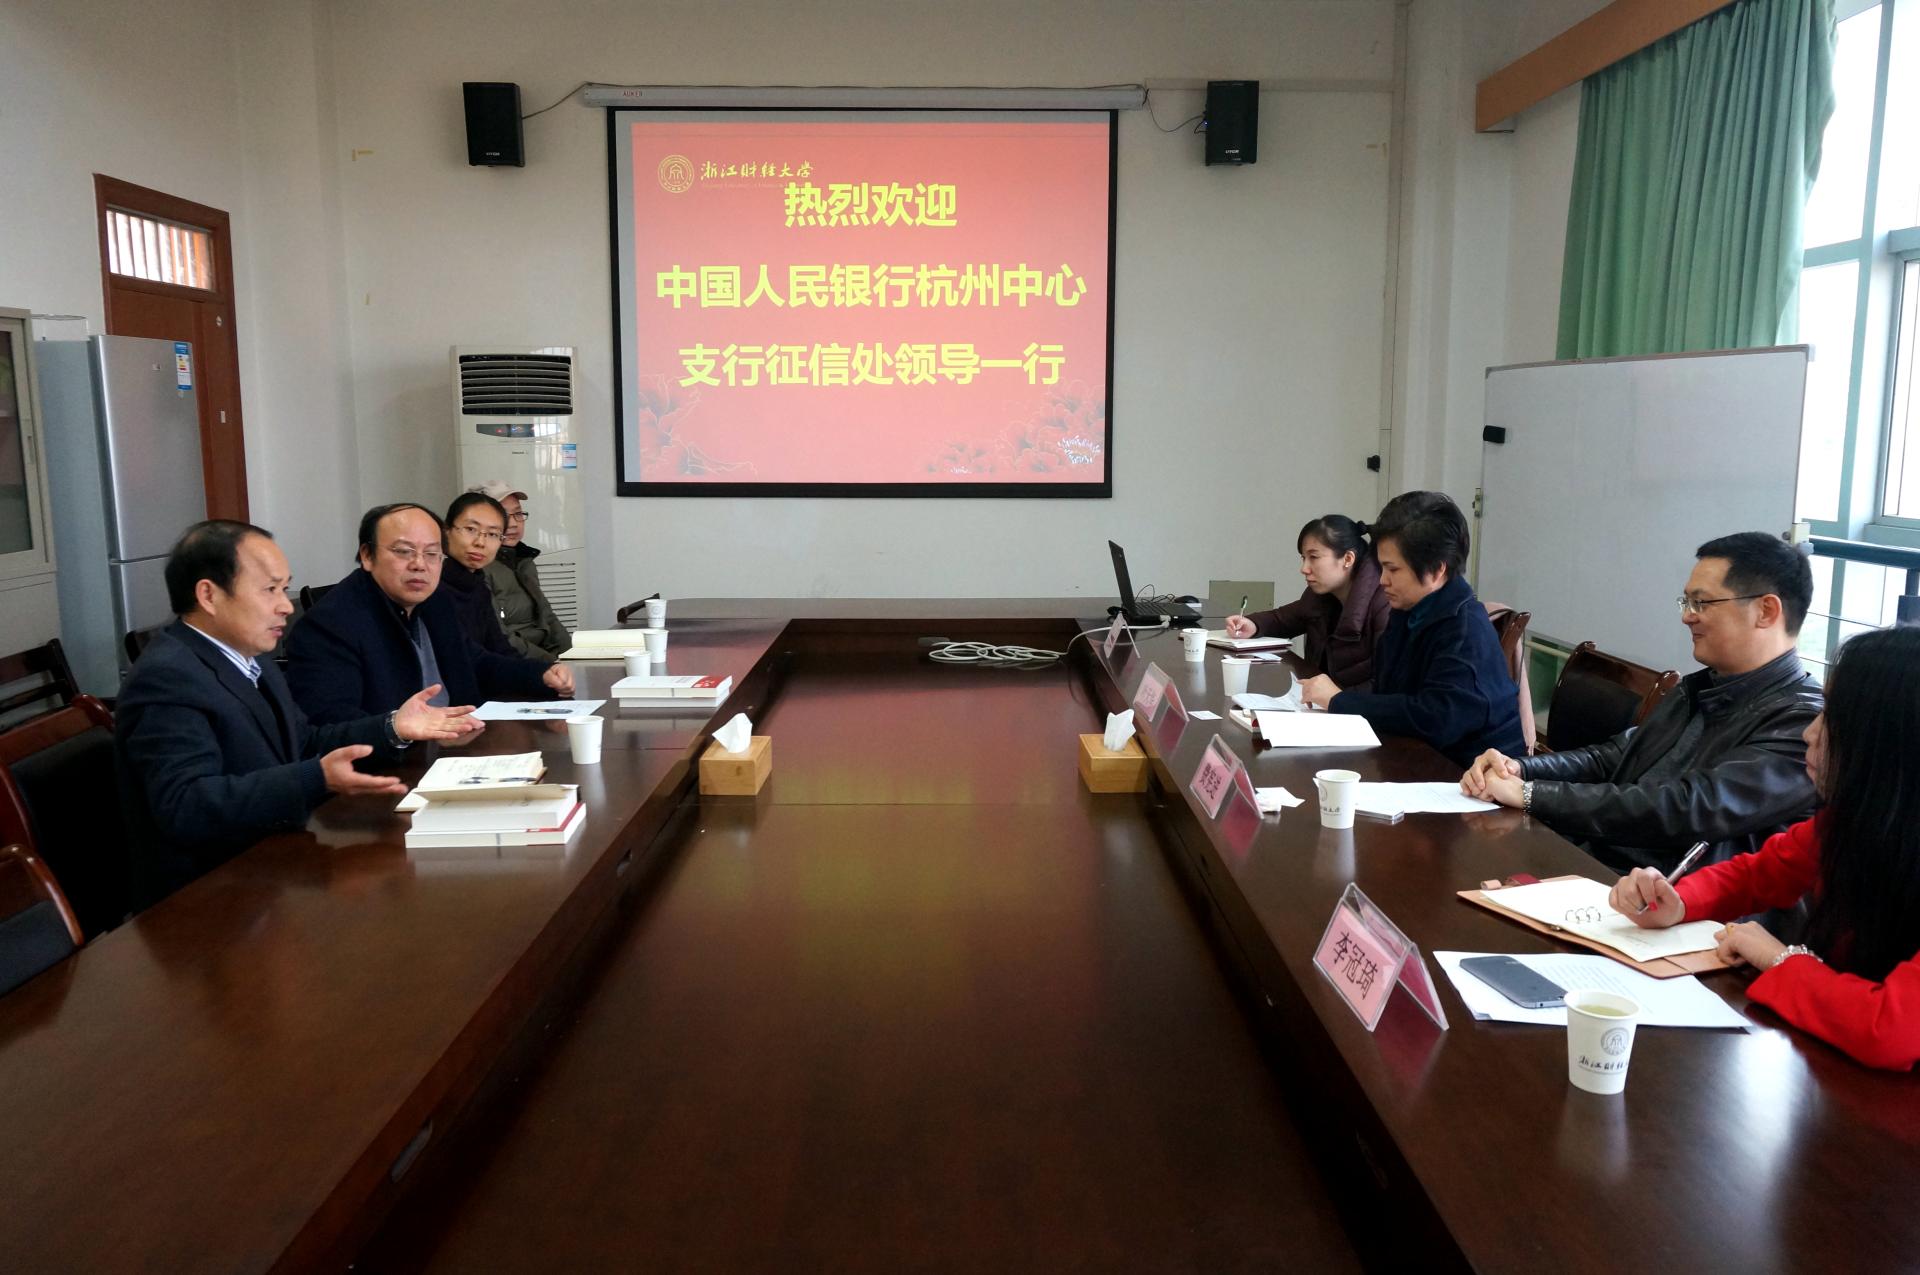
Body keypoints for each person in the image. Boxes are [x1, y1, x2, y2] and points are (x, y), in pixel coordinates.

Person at [116, 520, 480, 910]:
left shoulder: (250, 659)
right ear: (209, 594)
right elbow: (186, 805)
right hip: (208, 900)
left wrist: (392, 726)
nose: (286, 606)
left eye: (284, 588)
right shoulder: (169, 677)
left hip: (273, 866)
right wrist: (314, 778)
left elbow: (304, 741)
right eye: (270, 589)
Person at [1608, 626, 1920, 1071]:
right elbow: (1757, 874)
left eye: (1833, 718)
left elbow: (1888, 1030)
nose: (1810, 733)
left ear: (1890, 744)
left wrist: (1779, 959)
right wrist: (1677, 902)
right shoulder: (1854, 823)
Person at [1462, 532, 1822, 875]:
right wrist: (1519, 770)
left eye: (1702, 602)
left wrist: (1531, 795)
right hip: (1598, 861)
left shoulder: (1802, 722)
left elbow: (1685, 808)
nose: (1687, 616)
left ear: (1766, 611)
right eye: (1687, 602)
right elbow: (1613, 757)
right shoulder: (1701, 686)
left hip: (1669, 898)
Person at [286, 503, 572, 724]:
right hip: (399, 764)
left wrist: (541, 675)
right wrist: (397, 729)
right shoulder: (330, 624)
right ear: (367, 556)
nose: (419, 564)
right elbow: (328, 723)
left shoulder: (435, 601)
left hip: (458, 744)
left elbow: (475, 662)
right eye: (403, 551)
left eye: (432, 554)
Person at [1301, 493, 1523, 768]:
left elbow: (1434, 718)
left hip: (1476, 776)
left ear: (1437, 570)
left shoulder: (1465, 631)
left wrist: (1340, 701)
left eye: (1393, 569)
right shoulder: (1410, 609)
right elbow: (1390, 694)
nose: (1382, 580)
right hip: (1414, 758)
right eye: (1381, 567)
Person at [1222, 514, 1390, 689]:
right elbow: (1282, 619)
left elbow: (1385, 686)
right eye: (1303, 558)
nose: (1304, 569)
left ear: (1348, 559)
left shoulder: (1383, 603)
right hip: (1320, 699)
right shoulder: (1319, 596)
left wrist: (1336, 698)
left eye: (1314, 557)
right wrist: (1253, 625)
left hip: (1351, 704)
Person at [471, 478, 570, 661]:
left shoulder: (524, 561)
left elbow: (548, 617)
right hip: (517, 664)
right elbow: (499, 637)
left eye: (518, 514)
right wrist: (550, 663)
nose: (514, 524)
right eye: (503, 515)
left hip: (545, 659)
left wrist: (572, 656)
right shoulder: (478, 568)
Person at [441, 491, 522, 658]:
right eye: (471, 529)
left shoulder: (478, 585)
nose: (480, 542)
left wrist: (544, 670)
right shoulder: (433, 587)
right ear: (446, 530)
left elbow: (500, 648)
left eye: (492, 534)